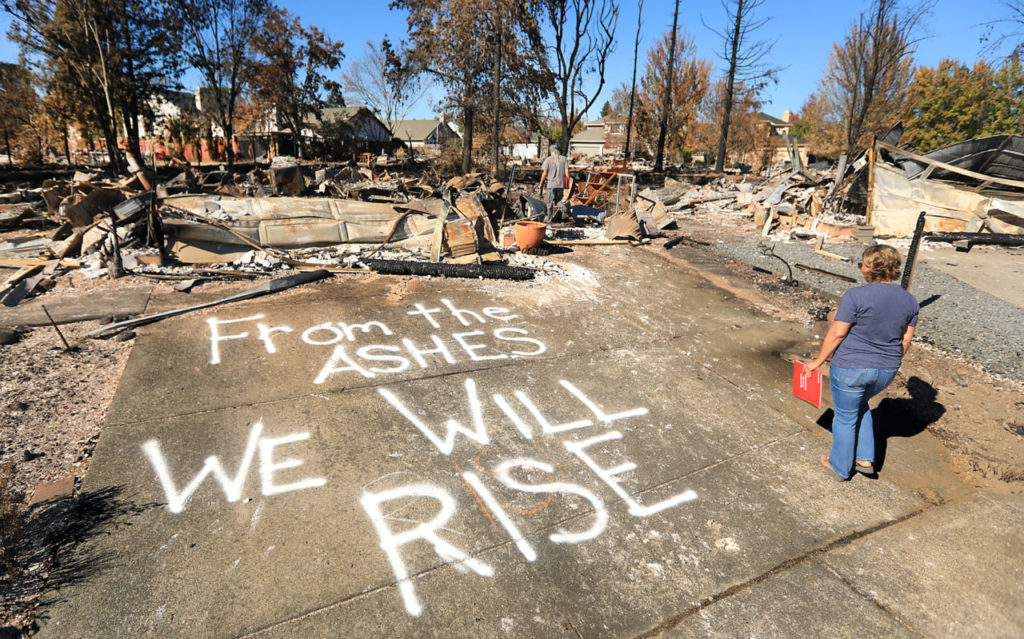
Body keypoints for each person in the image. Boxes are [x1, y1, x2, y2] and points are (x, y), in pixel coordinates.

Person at [805, 245, 919, 481]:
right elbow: (906, 339)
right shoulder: (910, 301)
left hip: (851, 367)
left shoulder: (856, 295)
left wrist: (818, 361)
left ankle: (840, 467)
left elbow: (837, 333)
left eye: (862, 264)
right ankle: (865, 459)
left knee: (845, 417)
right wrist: (890, 360)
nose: (861, 268)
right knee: (862, 404)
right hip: (886, 369)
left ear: (870, 268)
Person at [538, 146, 568, 224]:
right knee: (558, 200)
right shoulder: (564, 159)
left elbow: (544, 173)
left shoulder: (548, 159)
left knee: (549, 202)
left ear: (552, 151)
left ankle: (549, 220)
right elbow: (567, 173)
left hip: (551, 185)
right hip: (561, 184)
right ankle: (563, 207)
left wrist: (540, 184)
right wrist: (566, 184)